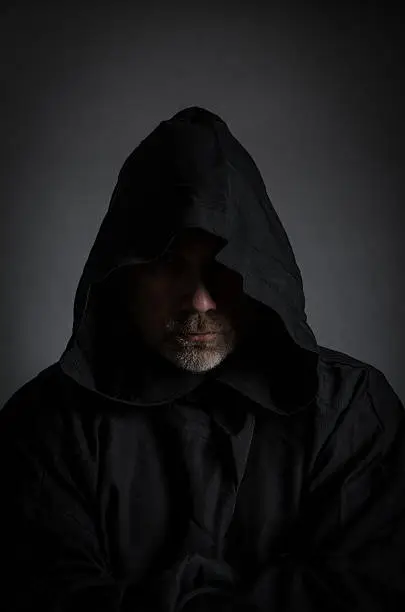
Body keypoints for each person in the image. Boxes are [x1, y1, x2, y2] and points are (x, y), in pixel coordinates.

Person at [1, 106, 404, 612]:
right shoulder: (45, 425)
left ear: (261, 271)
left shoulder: (352, 413)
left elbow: (369, 592)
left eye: (223, 266)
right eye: (169, 266)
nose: (199, 303)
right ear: (124, 276)